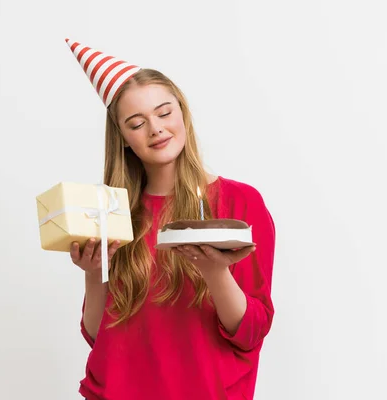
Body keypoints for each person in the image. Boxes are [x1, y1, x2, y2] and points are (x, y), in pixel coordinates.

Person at [64, 38, 276, 400]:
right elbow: (99, 336)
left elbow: (250, 331)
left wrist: (215, 271)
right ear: (124, 139)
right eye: (136, 123)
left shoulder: (241, 202)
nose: (156, 129)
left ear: (183, 113)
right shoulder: (111, 212)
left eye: (164, 113)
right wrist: (92, 273)